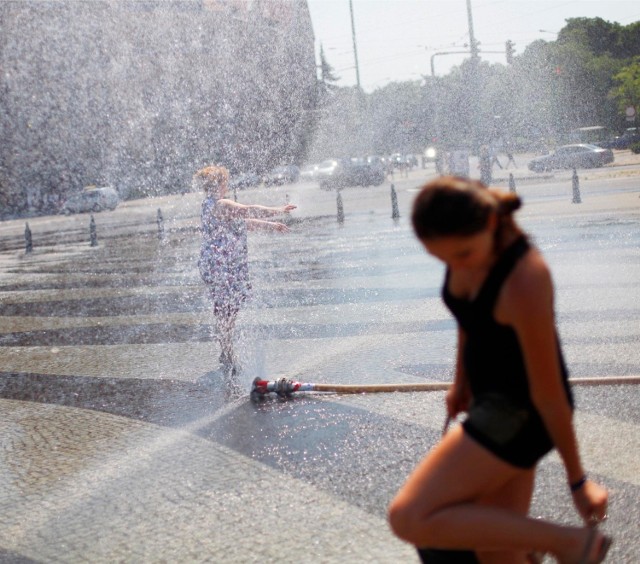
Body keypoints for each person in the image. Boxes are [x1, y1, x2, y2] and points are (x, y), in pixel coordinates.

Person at [388, 176, 611, 563]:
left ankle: (570, 544)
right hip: (489, 401)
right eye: (442, 259)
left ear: (490, 224)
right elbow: (467, 318)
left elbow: (550, 391)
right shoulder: (465, 244)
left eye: (462, 255)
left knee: (409, 517)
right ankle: (527, 551)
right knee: (497, 553)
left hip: (522, 416)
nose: (455, 265)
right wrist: (461, 383)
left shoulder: (525, 278)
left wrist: (578, 481)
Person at [195, 165, 296, 385]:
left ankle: (226, 352)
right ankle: (227, 355)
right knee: (227, 311)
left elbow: (243, 222)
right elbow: (248, 209)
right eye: (225, 182)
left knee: (227, 310)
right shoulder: (221, 204)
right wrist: (278, 209)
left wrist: (271, 225)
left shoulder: (210, 205)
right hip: (223, 268)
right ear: (220, 184)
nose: (226, 185)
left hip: (221, 266)